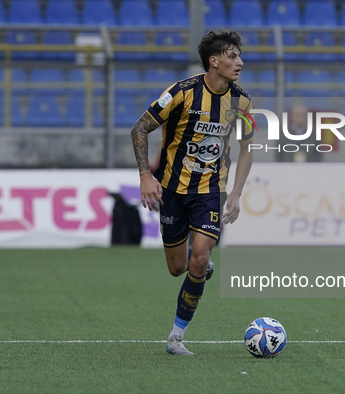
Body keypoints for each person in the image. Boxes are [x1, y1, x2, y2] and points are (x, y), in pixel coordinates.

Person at [130, 30, 254, 355]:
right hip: (171, 189)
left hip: (209, 190)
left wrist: (237, 194)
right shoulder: (181, 93)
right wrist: (146, 175)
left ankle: (176, 337)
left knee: (199, 259)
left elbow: (248, 148)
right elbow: (140, 127)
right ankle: (199, 267)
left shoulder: (241, 100)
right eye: (232, 56)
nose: (240, 62)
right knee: (177, 268)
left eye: (239, 56)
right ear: (214, 61)